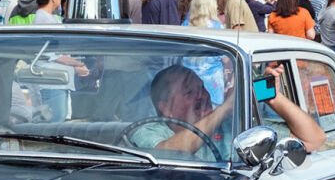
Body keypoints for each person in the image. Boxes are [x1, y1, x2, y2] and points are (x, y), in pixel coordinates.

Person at [138, 61, 324, 158]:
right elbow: (170, 154)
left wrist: (271, 96)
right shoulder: (148, 130)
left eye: (202, 88)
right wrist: (226, 107)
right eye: (189, 92)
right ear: (166, 108)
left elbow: (313, 139)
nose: (201, 96)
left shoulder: (230, 125)